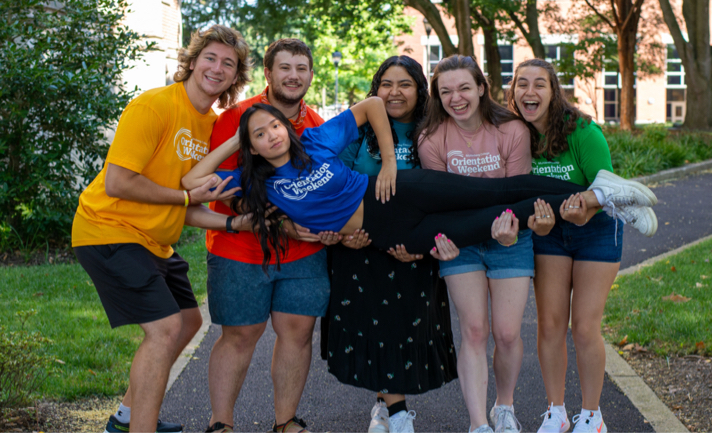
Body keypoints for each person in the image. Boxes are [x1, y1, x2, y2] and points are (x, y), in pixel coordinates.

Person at [181, 96, 657, 263]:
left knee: (497, 188)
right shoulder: (252, 182)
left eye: (273, 127)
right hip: (390, 233)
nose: (271, 137)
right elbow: (190, 186)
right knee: (497, 217)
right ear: (254, 147)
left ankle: (602, 193)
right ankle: (605, 195)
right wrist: (236, 141)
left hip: (395, 190)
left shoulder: (317, 143)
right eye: (259, 135)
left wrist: (389, 163)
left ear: (287, 129)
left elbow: (370, 106)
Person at [71, 25, 252, 433]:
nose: (217, 67)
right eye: (210, 57)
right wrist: (187, 198)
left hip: (154, 241)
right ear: (192, 62)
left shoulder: (210, 125)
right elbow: (120, 183)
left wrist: (234, 222)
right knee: (166, 329)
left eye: (229, 63)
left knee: (188, 321)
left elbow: (187, 205)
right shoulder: (153, 106)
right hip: (109, 229)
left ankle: (125, 418)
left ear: (234, 78)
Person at [507, 58, 657, 433]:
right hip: (550, 231)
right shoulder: (513, 135)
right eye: (521, 84)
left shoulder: (582, 131)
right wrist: (536, 225)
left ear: (553, 91)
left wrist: (587, 208)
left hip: (597, 227)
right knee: (550, 324)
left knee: (585, 327)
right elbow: (518, 194)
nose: (530, 92)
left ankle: (592, 415)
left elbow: (599, 183)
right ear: (512, 93)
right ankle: (556, 412)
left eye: (539, 84)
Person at [320, 56, 460, 433]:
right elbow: (333, 184)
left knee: (404, 330)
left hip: (414, 250)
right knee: (372, 329)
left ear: (419, 90)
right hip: (360, 248)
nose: (394, 92)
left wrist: (424, 244)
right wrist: (344, 236)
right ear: (376, 89)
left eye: (404, 84)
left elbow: (444, 191)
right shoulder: (357, 132)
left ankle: (385, 407)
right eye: (386, 84)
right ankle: (396, 413)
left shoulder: (433, 131)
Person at [418, 54, 554, 433]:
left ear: (481, 88)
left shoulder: (512, 131)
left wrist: (510, 228)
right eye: (445, 91)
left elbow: (516, 192)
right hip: (460, 243)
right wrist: (441, 240)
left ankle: (504, 406)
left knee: (508, 332)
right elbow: (440, 202)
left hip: (509, 237)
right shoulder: (432, 138)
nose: (455, 98)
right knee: (474, 331)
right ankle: (478, 423)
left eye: (463, 88)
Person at [200, 39, 327, 433]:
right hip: (239, 249)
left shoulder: (318, 127)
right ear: (268, 74)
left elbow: (324, 189)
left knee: (297, 333)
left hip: (302, 254)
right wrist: (262, 217)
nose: (293, 75)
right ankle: (221, 424)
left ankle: (285, 422)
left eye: (301, 68)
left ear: (309, 75)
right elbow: (212, 185)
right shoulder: (236, 118)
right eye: (284, 67)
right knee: (240, 335)